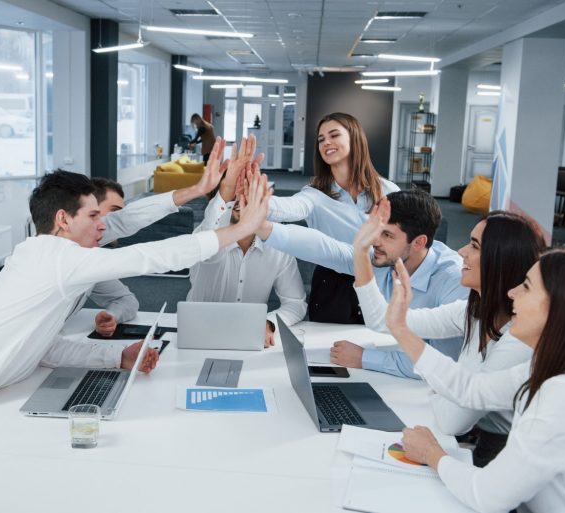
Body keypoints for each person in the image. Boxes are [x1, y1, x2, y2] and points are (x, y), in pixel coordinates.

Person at [0, 141, 273, 457]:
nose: (103, 224)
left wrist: (117, 357)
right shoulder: (55, 259)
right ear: (63, 219)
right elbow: (150, 256)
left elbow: (45, 347)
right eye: (93, 216)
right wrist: (241, 227)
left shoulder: (53, 257)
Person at [388, 249, 565, 513]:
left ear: (558, 309)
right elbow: (472, 389)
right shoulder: (553, 366)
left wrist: (431, 454)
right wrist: (400, 329)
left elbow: (488, 496)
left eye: (526, 286)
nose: (512, 293)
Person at [350, 211, 546, 467]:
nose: (462, 251)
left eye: (474, 246)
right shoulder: (474, 311)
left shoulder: (518, 338)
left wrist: (439, 388)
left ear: (502, 260)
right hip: (478, 437)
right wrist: (359, 253)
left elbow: (453, 420)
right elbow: (381, 321)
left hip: (503, 451)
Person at [256, 190, 466, 376]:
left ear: (419, 242)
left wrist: (364, 358)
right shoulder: (388, 257)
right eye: (376, 230)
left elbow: (441, 365)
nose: (375, 241)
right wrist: (262, 227)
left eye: (387, 235)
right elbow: (328, 250)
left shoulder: (454, 280)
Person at [267, 112, 399, 324]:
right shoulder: (314, 193)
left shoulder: (387, 190)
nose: (326, 142)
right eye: (321, 139)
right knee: (326, 342)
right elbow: (288, 207)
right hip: (332, 287)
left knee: (378, 341)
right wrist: (255, 201)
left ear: (355, 138)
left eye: (334, 135)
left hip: (378, 282)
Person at [188, 135, 307, 347]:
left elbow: (296, 304)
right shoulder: (204, 235)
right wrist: (226, 191)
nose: (238, 197)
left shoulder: (278, 245)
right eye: (232, 191)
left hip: (250, 341)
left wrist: (269, 323)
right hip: (199, 335)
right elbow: (211, 235)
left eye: (246, 189)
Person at [84, 177, 139, 337]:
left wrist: (111, 316)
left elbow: (127, 301)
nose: (121, 220)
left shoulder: (91, 260)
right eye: (115, 211)